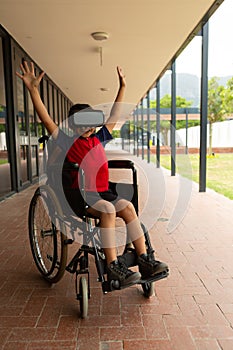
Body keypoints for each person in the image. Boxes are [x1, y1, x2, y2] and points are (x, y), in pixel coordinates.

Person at [17, 61, 168, 288]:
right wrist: (33, 90)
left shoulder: (98, 139)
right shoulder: (67, 141)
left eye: (91, 124)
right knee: (108, 209)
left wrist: (122, 88)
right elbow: (46, 119)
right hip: (80, 196)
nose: (88, 128)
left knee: (127, 206)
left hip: (102, 191)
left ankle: (145, 259)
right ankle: (113, 266)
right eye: (82, 124)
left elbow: (115, 115)